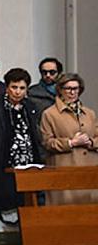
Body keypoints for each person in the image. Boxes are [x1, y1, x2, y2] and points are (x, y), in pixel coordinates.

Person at [0, 68, 44, 241]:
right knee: (6, 203)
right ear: (7, 87)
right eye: (14, 87)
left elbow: (35, 134)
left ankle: (27, 241)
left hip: (29, 163)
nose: (18, 92)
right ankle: (4, 243)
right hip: (6, 164)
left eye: (21, 88)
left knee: (27, 203)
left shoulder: (30, 107)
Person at [40, 73, 98, 206]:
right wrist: (70, 143)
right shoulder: (50, 114)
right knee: (65, 209)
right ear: (60, 89)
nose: (72, 92)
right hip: (64, 166)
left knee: (90, 209)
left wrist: (90, 142)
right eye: (68, 88)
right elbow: (47, 142)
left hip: (89, 167)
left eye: (76, 88)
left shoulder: (89, 113)